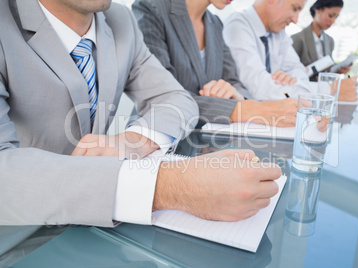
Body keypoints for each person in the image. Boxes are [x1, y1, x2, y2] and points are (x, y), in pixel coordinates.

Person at [0, 0, 282, 265]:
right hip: (18, 240)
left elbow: (177, 98)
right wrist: (167, 187)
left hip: (96, 233)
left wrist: (136, 140)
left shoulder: (118, 19)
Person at [132, 0, 298, 128]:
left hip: (207, 140)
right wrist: (245, 109)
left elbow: (233, 81)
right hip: (159, 139)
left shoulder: (215, 23)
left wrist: (236, 95)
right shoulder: (151, 9)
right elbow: (163, 96)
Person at [223, 0, 358, 102]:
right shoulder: (237, 26)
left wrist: (290, 79)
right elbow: (259, 88)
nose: (295, 20)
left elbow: (300, 71)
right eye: (294, 8)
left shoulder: (279, 33)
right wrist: (329, 90)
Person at [291, 0, 351, 75]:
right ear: (318, 10)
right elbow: (291, 72)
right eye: (331, 15)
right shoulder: (297, 39)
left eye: (336, 17)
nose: (333, 21)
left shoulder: (330, 41)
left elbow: (328, 70)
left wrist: (338, 71)